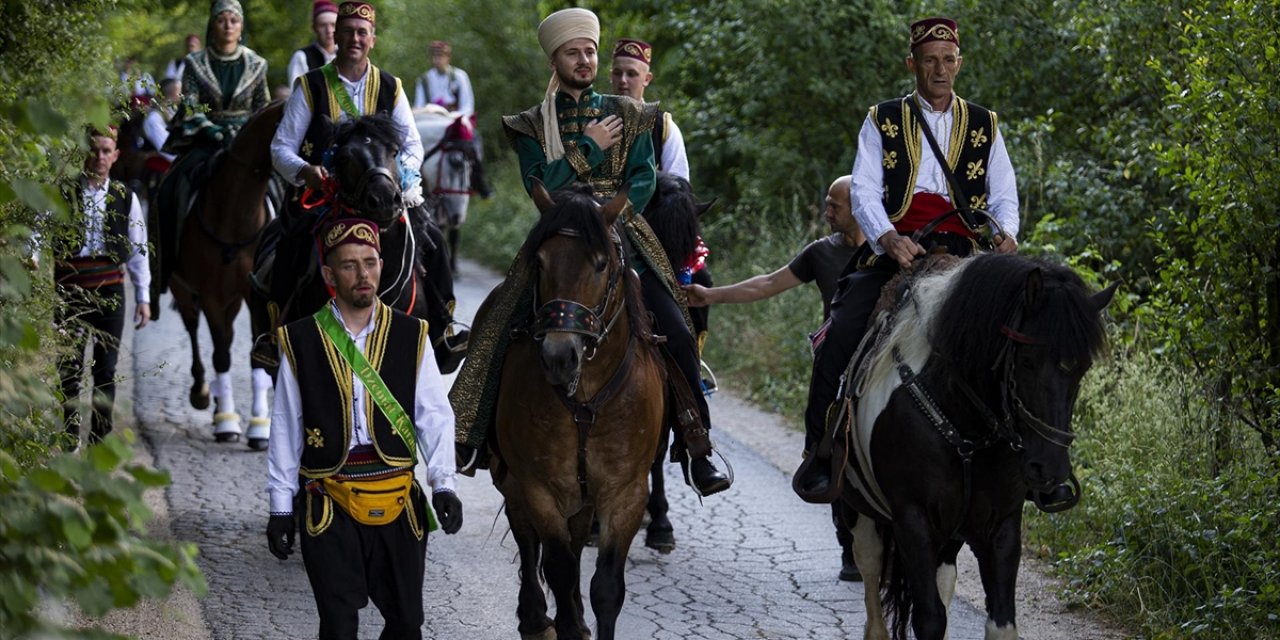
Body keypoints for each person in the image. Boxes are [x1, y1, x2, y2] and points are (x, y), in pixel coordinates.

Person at [450, 7, 731, 496]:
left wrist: (609, 217)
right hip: (558, 234)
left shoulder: (632, 113)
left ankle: (696, 443)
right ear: (554, 60)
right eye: (573, 52)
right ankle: (470, 432)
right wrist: (590, 146)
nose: (585, 60)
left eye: (590, 51)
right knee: (499, 317)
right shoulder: (531, 123)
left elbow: (643, 177)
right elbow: (540, 184)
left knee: (677, 326)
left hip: (622, 231)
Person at [794, 17, 1025, 501]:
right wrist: (888, 238)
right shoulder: (882, 118)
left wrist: (1006, 234)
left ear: (959, 63)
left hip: (962, 249)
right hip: (898, 246)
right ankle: (819, 452)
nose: (939, 70)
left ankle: (1021, 457)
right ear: (912, 64)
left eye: (948, 60)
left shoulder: (984, 123)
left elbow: (1004, 194)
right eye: (929, 61)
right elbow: (862, 189)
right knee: (840, 333)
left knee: (1019, 335)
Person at [265, 217, 462, 640]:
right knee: (338, 627)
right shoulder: (300, 339)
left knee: (408, 624)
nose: (363, 275)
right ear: (329, 275)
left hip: (398, 497)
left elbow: (434, 413)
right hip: (328, 499)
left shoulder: (414, 334)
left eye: (370, 263)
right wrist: (281, 506)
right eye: (350, 265)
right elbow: (286, 426)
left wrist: (444, 482)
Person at [268, 1, 466, 373]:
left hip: (381, 194)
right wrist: (305, 171)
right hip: (327, 193)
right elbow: (281, 148)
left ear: (372, 39)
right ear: (336, 37)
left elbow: (412, 146)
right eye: (348, 32)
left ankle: (442, 329)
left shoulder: (391, 86)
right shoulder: (310, 85)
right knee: (288, 244)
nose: (355, 39)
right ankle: (275, 333)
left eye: (362, 32)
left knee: (433, 239)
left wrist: (397, 177)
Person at [686, 175, 865, 580]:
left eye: (835, 206)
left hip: (882, 357)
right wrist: (710, 295)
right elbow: (768, 283)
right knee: (833, 443)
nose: (827, 212)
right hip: (837, 367)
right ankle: (845, 538)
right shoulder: (821, 253)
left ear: (861, 207)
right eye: (827, 203)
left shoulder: (885, 251)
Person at [154, 0, 269, 295]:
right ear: (212, 26)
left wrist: (247, 135)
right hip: (207, 142)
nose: (228, 25)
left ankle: (279, 268)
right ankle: (164, 269)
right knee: (169, 188)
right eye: (222, 20)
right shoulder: (194, 64)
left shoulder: (257, 64)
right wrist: (215, 132)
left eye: (234, 20)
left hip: (249, 147)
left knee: (285, 191)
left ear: (241, 27)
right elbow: (190, 107)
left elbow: (263, 109)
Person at [56, 126, 152, 451]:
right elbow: (39, 231)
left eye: (106, 151)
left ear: (115, 156)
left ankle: (98, 441)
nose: (100, 157)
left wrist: (144, 297)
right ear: (85, 152)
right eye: (95, 150)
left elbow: (138, 249)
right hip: (70, 291)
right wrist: (30, 256)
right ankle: (69, 436)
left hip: (111, 291)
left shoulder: (126, 197)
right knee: (69, 366)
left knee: (105, 369)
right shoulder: (64, 192)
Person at [413, 40, 492, 199]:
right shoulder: (424, 80)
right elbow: (419, 106)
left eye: (440, 56)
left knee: (473, 142)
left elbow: (467, 105)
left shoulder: (460, 76)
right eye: (434, 56)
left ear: (448, 57)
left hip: (455, 120)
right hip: (433, 122)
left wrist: (450, 118)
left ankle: (478, 182)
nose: (437, 60)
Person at [608, 38, 688, 179]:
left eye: (631, 74)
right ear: (610, 75)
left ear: (647, 79)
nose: (623, 80)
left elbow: (679, 189)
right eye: (617, 73)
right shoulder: (594, 119)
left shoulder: (663, 127)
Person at [285, 0, 338, 90]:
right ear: (314, 28)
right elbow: (297, 96)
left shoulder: (349, 56)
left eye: (333, 25)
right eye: (323, 25)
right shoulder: (302, 57)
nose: (329, 31)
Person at [141, 77, 181, 161]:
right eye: (180, 92)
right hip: (159, 170)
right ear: (173, 93)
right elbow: (167, 152)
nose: (182, 95)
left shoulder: (172, 112)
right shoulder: (155, 118)